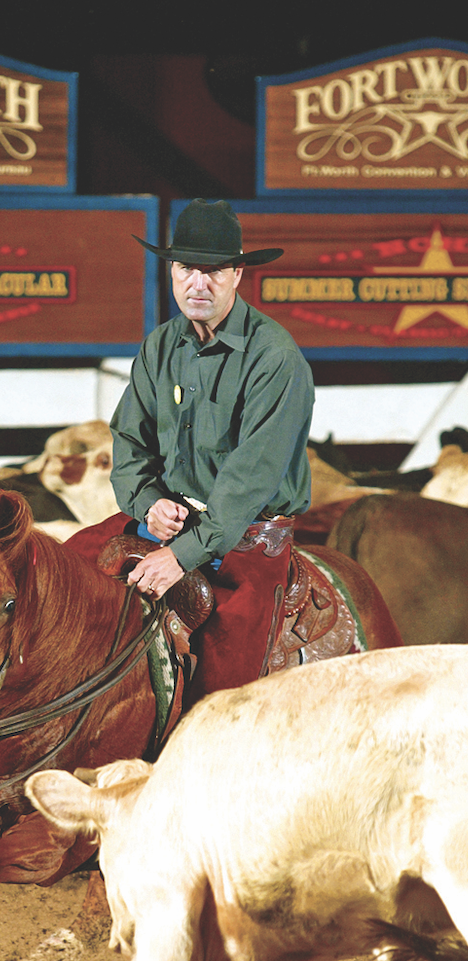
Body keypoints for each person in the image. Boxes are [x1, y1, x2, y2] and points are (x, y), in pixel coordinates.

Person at [110, 198, 314, 701]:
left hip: (247, 535)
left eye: (214, 271)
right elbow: (129, 445)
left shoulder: (276, 358)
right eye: (186, 268)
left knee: (225, 682)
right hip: (171, 521)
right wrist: (147, 504)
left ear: (238, 273)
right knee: (70, 579)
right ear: (172, 271)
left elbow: (249, 481)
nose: (198, 284)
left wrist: (179, 556)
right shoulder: (158, 347)